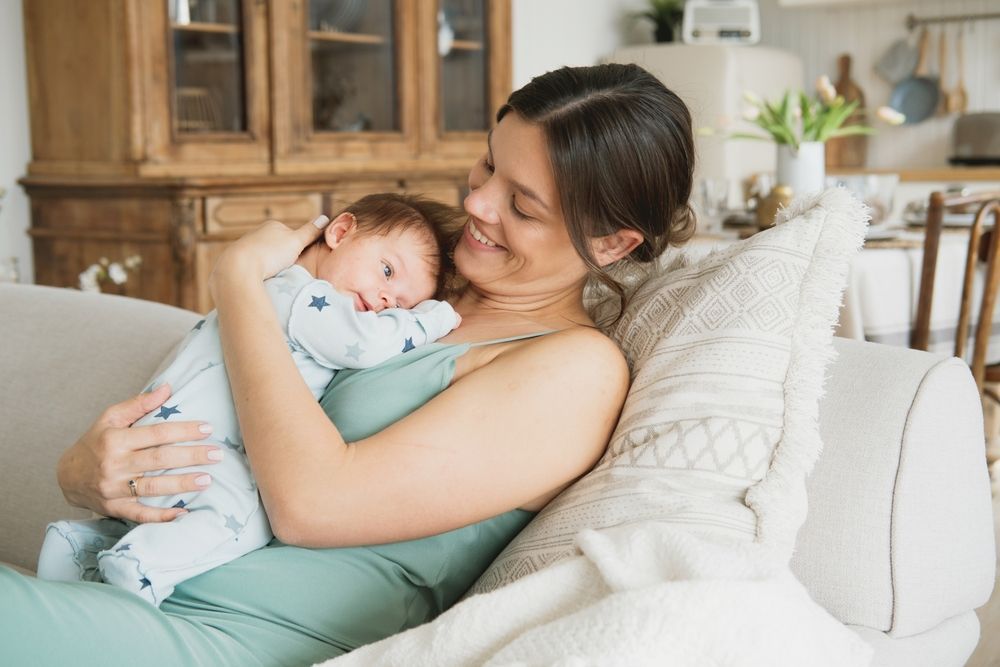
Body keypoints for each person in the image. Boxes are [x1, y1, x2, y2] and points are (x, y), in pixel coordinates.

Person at [0, 62, 695, 665]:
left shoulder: (573, 371)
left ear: (611, 243)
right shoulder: (414, 272)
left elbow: (310, 504)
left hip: (237, 637)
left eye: (521, 204)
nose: (476, 203)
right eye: (488, 164)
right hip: (137, 580)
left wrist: (239, 276)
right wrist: (82, 471)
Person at [34, 193, 463, 606]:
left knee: (176, 515)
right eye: (387, 271)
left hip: (169, 443)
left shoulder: (267, 289)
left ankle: (81, 548)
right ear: (341, 231)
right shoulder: (302, 297)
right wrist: (432, 317)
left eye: (402, 304)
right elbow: (364, 344)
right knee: (245, 515)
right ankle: (142, 566)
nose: (387, 301)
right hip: (194, 449)